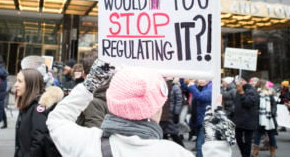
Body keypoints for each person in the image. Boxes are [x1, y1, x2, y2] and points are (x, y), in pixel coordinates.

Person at [47, 60, 234, 157]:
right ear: (155, 110)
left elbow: (56, 120)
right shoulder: (174, 153)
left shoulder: (86, 142)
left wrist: (89, 86)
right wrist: (216, 145)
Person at [14, 68, 63, 157]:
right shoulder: (27, 106)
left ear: (30, 84)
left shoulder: (38, 108)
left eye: (20, 81)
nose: (15, 85)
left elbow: (39, 142)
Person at [180, 79, 212, 157]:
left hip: (205, 121)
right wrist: (183, 78)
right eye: (200, 78)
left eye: (204, 78)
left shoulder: (211, 88)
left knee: (200, 145)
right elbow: (185, 86)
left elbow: (201, 97)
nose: (201, 80)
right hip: (198, 120)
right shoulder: (200, 87)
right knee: (200, 145)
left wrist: (191, 85)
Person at [232, 73, 259, 157]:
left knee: (247, 141)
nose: (237, 82)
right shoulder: (239, 89)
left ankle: (245, 155)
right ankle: (244, 154)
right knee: (238, 139)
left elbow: (248, 103)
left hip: (248, 120)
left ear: (244, 81)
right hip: (239, 120)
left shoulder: (251, 90)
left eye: (239, 80)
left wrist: (241, 93)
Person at [252, 79, 277, 157]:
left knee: (271, 135)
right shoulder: (256, 94)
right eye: (266, 84)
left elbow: (274, 105)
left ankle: (272, 152)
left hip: (269, 119)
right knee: (257, 134)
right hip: (259, 118)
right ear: (262, 85)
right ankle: (255, 151)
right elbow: (254, 106)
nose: (268, 85)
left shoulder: (270, 94)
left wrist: (272, 112)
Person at [160, 77, 184, 147]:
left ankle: (183, 150)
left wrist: (176, 113)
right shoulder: (163, 85)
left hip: (171, 115)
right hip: (165, 115)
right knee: (164, 134)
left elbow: (179, 101)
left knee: (174, 134)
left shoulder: (175, 87)